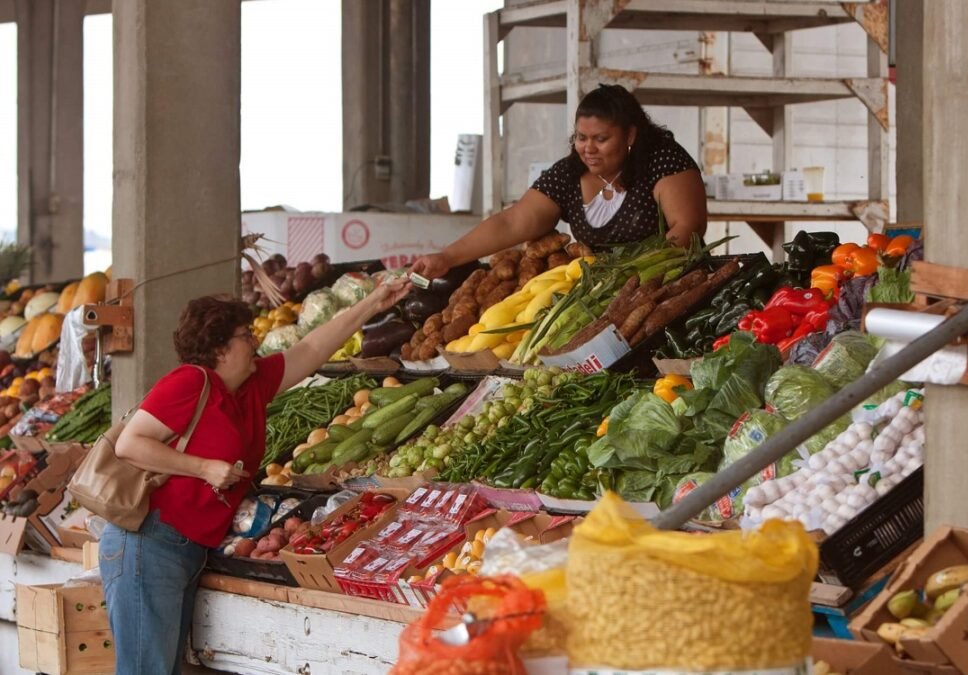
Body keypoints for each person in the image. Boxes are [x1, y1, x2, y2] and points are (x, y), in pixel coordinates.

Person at [97, 277, 411, 675]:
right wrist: (203, 467)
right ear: (219, 349)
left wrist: (372, 304)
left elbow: (312, 348)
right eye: (246, 335)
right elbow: (130, 444)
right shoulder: (191, 382)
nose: (255, 342)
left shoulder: (251, 385)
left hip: (188, 548)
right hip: (149, 543)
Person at [413, 84, 707, 280]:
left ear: (630, 136)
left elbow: (688, 228)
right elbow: (512, 222)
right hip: (597, 295)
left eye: (601, 139)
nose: (588, 148)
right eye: (581, 137)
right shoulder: (568, 174)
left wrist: (632, 275)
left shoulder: (663, 161)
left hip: (669, 286)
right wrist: (447, 257)